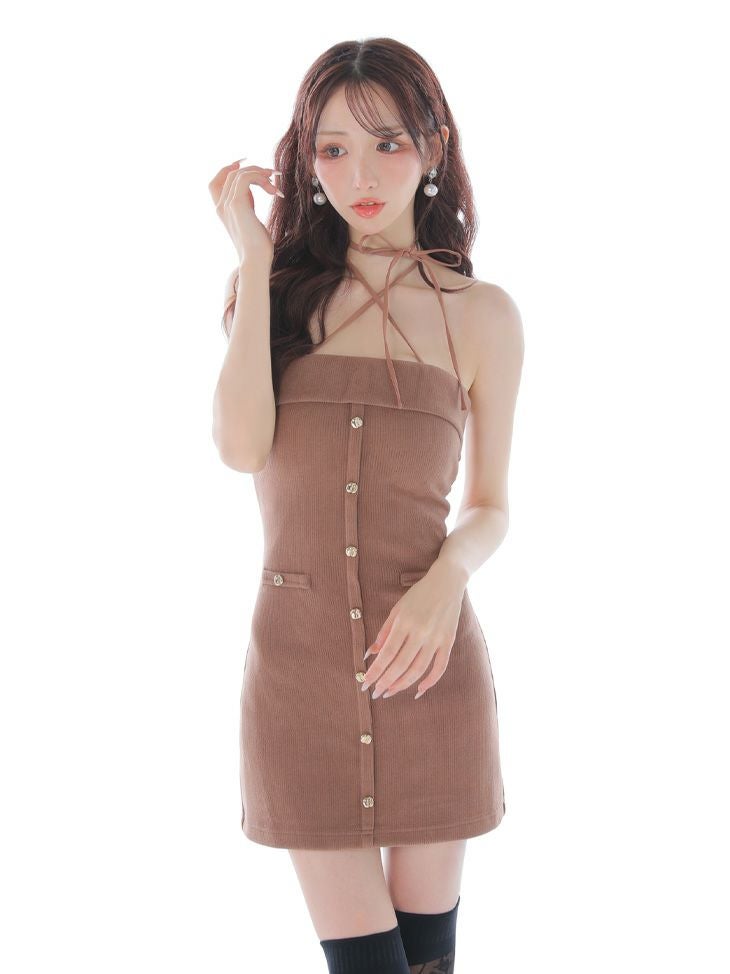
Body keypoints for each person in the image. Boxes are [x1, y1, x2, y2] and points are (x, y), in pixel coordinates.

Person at [209, 36, 524, 974]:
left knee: (426, 963)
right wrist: (254, 260)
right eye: (334, 149)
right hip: (298, 675)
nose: (361, 175)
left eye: (388, 143)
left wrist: (444, 583)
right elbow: (239, 449)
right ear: (307, 161)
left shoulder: (483, 315)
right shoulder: (271, 297)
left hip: (427, 668)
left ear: (432, 148)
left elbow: (492, 504)